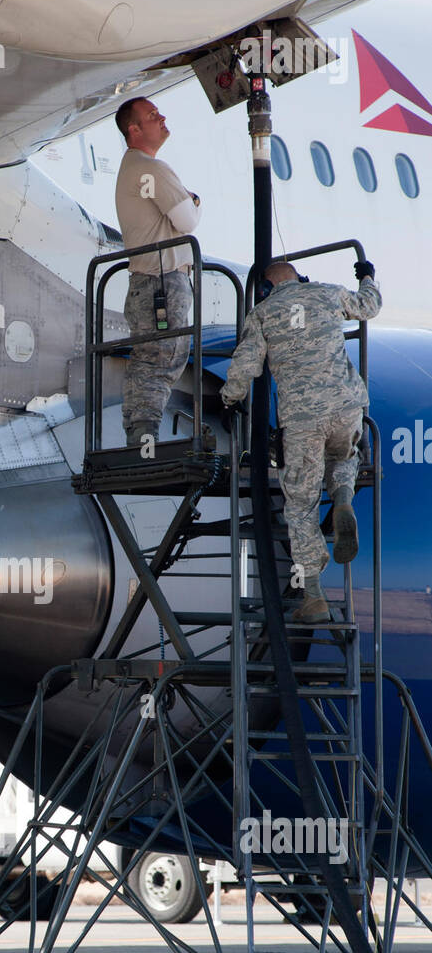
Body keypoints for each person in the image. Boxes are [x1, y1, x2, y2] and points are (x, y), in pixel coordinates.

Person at [221, 259, 382, 622]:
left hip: (302, 421)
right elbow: (369, 305)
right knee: (346, 455)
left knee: (301, 504)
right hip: (346, 407)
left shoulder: (262, 313)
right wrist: (367, 276)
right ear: (299, 278)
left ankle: (313, 596)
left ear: (265, 288)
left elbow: (246, 367)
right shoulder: (326, 293)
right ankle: (342, 498)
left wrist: (229, 399)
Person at [114, 96, 202, 447]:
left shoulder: (130, 168)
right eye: (153, 115)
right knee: (164, 360)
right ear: (134, 129)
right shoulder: (152, 169)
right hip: (163, 282)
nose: (162, 117)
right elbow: (187, 220)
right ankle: (145, 437)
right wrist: (193, 200)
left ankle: (137, 435)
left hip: (143, 282)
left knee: (147, 360)